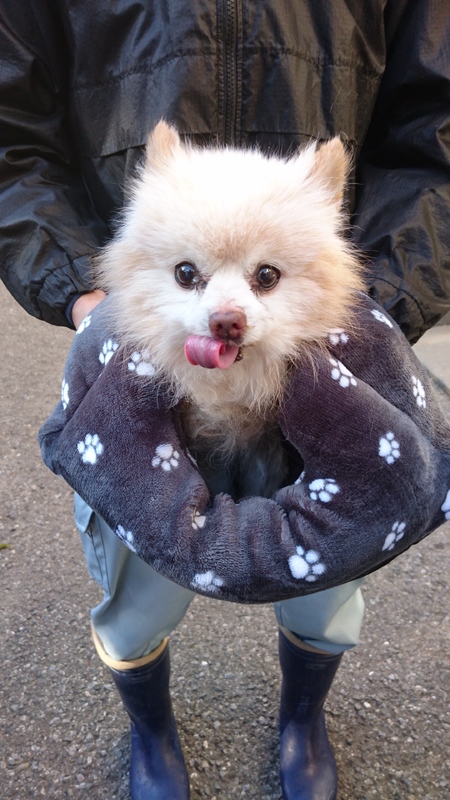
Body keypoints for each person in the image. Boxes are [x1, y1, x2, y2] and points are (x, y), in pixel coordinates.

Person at [1, 2, 450, 799]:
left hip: (324, 382)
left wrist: (382, 309)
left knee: (323, 589)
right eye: (192, 277)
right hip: (140, 401)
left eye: (262, 279)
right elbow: (12, 132)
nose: (225, 309)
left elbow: (434, 129)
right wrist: (80, 292)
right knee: (137, 598)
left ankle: (303, 717)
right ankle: (149, 728)